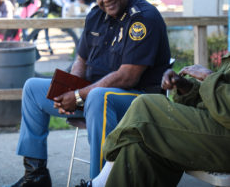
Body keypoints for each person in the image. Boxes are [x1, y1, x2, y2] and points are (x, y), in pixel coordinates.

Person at [7, 0, 171, 187]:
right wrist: (70, 89)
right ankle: (35, 177)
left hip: (140, 100)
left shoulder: (143, 18)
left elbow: (128, 77)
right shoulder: (96, 15)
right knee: (32, 89)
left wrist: (78, 95)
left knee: (98, 97)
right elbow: (81, 60)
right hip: (94, 96)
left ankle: (101, 182)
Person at [76, 57, 230, 187]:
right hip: (217, 126)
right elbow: (219, 103)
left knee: (145, 107)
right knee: (138, 148)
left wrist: (210, 78)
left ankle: (98, 182)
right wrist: (186, 87)